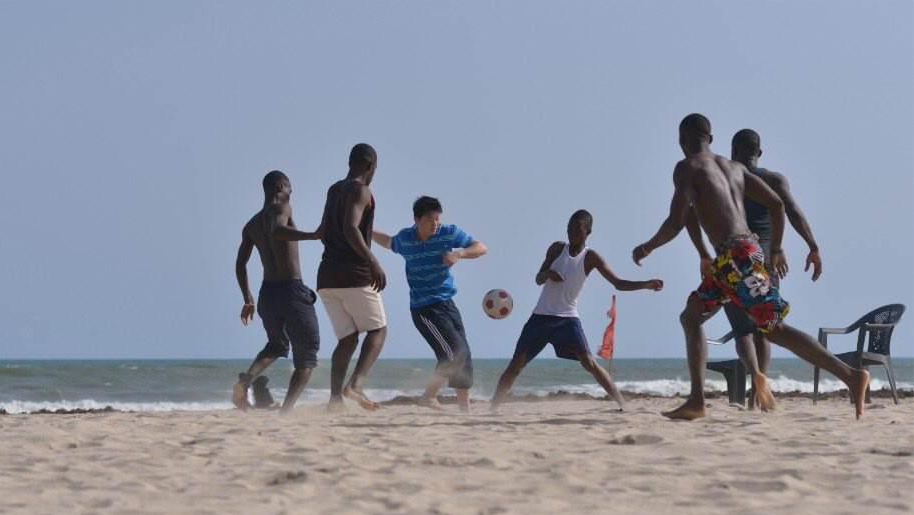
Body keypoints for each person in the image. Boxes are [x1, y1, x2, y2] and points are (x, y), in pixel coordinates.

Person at [632, 113, 869, 420]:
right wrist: (776, 247)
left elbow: (677, 221)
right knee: (691, 316)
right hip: (736, 258)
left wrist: (648, 246)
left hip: (737, 258)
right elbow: (778, 204)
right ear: (712, 140)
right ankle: (697, 401)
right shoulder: (733, 168)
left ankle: (850, 375)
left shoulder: (687, 168)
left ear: (681, 139)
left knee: (773, 329)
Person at [686, 129, 823, 406]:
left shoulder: (728, 176)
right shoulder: (773, 179)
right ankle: (759, 391)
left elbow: (694, 211)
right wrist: (811, 246)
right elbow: (790, 210)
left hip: (733, 262)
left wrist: (702, 252)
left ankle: (756, 376)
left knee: (742, 330)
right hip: (767, 263)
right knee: (766, 327)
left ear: (733, 150)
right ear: (759, 153)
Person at [491, 210, 663, 410]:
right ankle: (493, 408)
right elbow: (538, 279)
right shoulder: (556, 249)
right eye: (568, 228)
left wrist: (646, 284)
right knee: (515, 365)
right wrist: (548, 273)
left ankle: (621, 404)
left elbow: (618, 283)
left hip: (567, 320)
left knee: (589, 363)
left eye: (576, 228)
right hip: (540, 318)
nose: (571, 232)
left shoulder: (590, 257)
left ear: (588, 231)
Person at [372, 196, 488, 412]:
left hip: (448, 305)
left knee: (464, 356)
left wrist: (459, 253)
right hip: (424, 309)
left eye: (437, 219)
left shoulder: (448, 233)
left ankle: (465, 411)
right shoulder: (406, 239)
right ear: (416, 219)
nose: (435, 224)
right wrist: (365, 228)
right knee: (454, 353)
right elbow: (388, 242)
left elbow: (481, 247)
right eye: (429, 220)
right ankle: (428, 397)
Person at [233, 171, 322, 413]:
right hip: (291, 291)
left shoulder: (251, 224)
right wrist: (313, 235)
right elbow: (277, 231)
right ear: (281, 187)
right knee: (307, 356)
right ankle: (286, 411)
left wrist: (247, 298)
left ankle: (245, 381)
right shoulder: (282, 207)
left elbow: (240, 264)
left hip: (267, 294)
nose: (292, 193)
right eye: (290, 188)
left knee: (277, 344)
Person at [316, 143, 388, 411]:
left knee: (347, 339)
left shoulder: (334, 189)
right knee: (378, 330)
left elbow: (323, 230)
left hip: (326, 278)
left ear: (350, 162)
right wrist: (373, 261)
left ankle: (335, 400)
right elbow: (350, 227)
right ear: (371, 166)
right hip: (354, 275)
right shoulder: (361, 190)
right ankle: (355, 385)